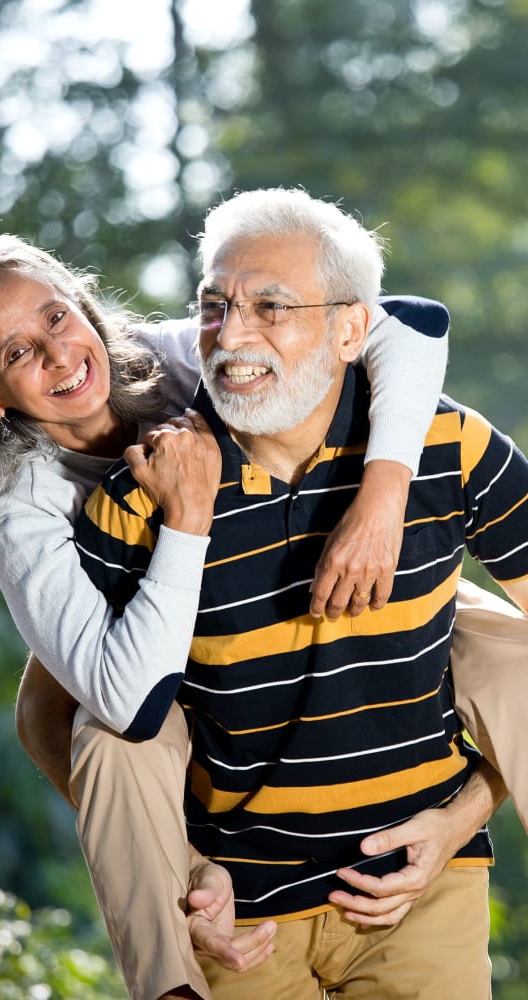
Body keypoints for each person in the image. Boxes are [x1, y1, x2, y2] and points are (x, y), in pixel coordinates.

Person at [0, 230, 459, 1000]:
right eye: (14, 354)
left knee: (500, 646)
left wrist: (381, 497)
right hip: (181, 683)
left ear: (81, 306)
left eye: (54, 319)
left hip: (313, 594)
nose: (54, 356)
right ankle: (177, 960)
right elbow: (132, 704)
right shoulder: (21, 508)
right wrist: (186, 518)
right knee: (104, 742)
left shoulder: (175, 359)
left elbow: (410, 322)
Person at [73, 187, 528, 998]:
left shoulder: (450, 448)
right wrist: (181, 868)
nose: (231, 335)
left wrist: (460, 818)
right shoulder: (142, 493)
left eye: (269, 305)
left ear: (351, 328)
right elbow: (76, 714)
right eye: (213, 306)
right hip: (236, 916)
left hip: (417, 893)